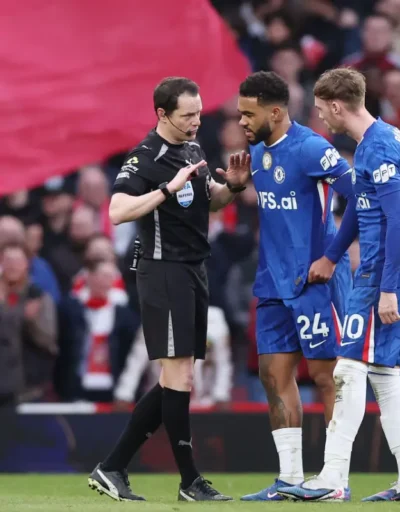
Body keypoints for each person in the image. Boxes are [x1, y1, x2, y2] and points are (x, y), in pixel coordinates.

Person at [87, 77, 251, 502]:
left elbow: (208, 202)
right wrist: (165, 189)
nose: (197, 122)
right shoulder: (145, 158)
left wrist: (231, 186)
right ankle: (189, 481)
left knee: (179, 377)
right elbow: (118, 210)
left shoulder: (191, 148)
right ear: (162, 114)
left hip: (194, 268)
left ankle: (113, 467)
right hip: (163, 270)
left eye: (198, 113)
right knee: (178, 376)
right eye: (187, 115)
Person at [278, 68, 400, 502]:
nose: (322, 118)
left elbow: (398, 221)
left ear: (338, 105)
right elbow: (365, 210)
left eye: (323, 110)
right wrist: (332, 254)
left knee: (348, 370)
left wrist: (386, 288)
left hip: (383, 274)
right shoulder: (392, 138)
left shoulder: (376, 150)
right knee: (384, 375)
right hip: (396, 271)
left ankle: (331, 478)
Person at [234, 71, 355, 501]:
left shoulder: (312, 148)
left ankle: (336, 479)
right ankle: (289, 479)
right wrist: (234, 187)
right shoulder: (257, 151)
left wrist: (332, 257)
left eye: (249, 115)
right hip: (272, 281)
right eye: (239, 114)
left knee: (326, 377)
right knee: (272, 375)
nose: (242, 123)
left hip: (314, 282)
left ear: (276, 111)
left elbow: (358, 194)